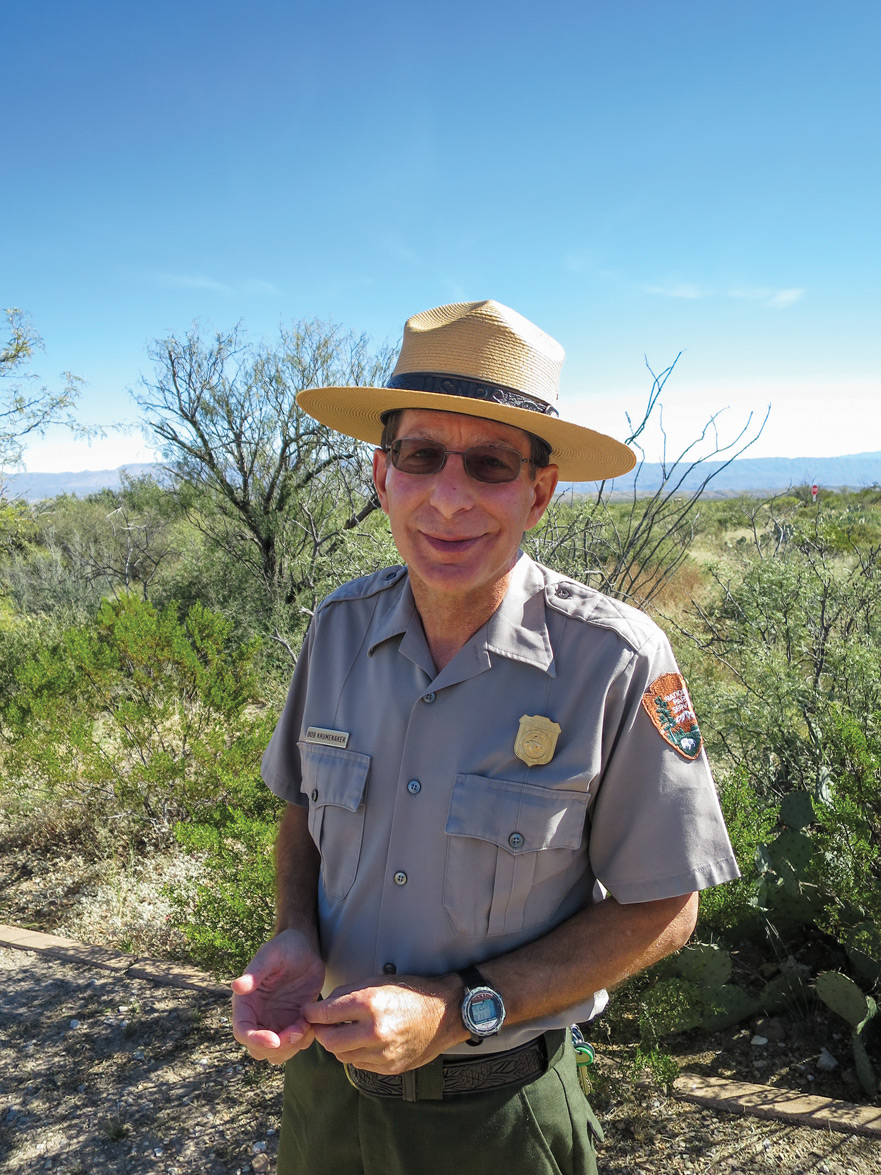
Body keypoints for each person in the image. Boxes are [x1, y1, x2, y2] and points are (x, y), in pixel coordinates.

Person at [231, 300, 740, 1174]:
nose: (448, 497)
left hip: (498, 1119)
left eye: (491, 464)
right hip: (323, 1098)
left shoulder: (613, 660)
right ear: (379, 474)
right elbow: (304, 812)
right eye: (420, 455)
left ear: (539, 491)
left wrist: (462, 1006)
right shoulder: (337, 630)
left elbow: (664, 907)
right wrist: (293, 935)